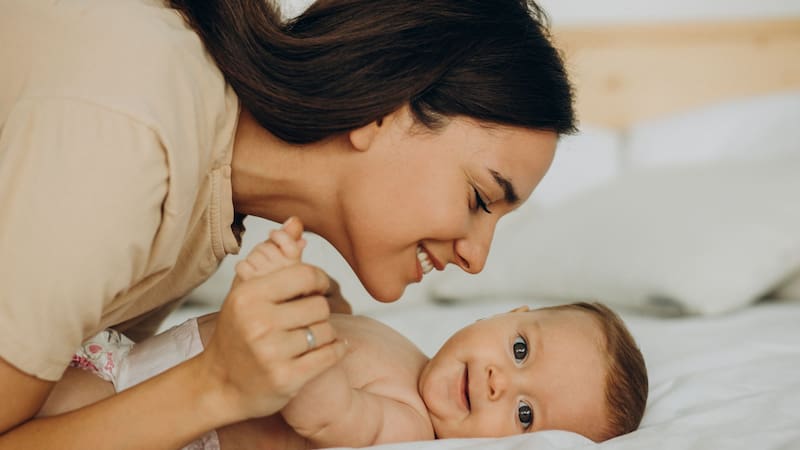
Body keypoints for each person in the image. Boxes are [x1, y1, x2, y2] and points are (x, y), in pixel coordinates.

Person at [0, 0, 575, 447]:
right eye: (479, 198)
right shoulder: (133, 143)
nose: (478, 259)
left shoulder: (212, 205)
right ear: (383, 107)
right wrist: (218, 384)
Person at [40, 220, 649, 449]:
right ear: (505, 315)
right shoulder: (406, 353)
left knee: (40, 415)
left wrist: (289, 314)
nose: (497, 382)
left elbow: (324, 413)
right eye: (519, 351)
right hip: (130, 362)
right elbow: (350, 335)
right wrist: (325, 297)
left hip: (149, 417)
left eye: (524, 415)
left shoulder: (408, 423)